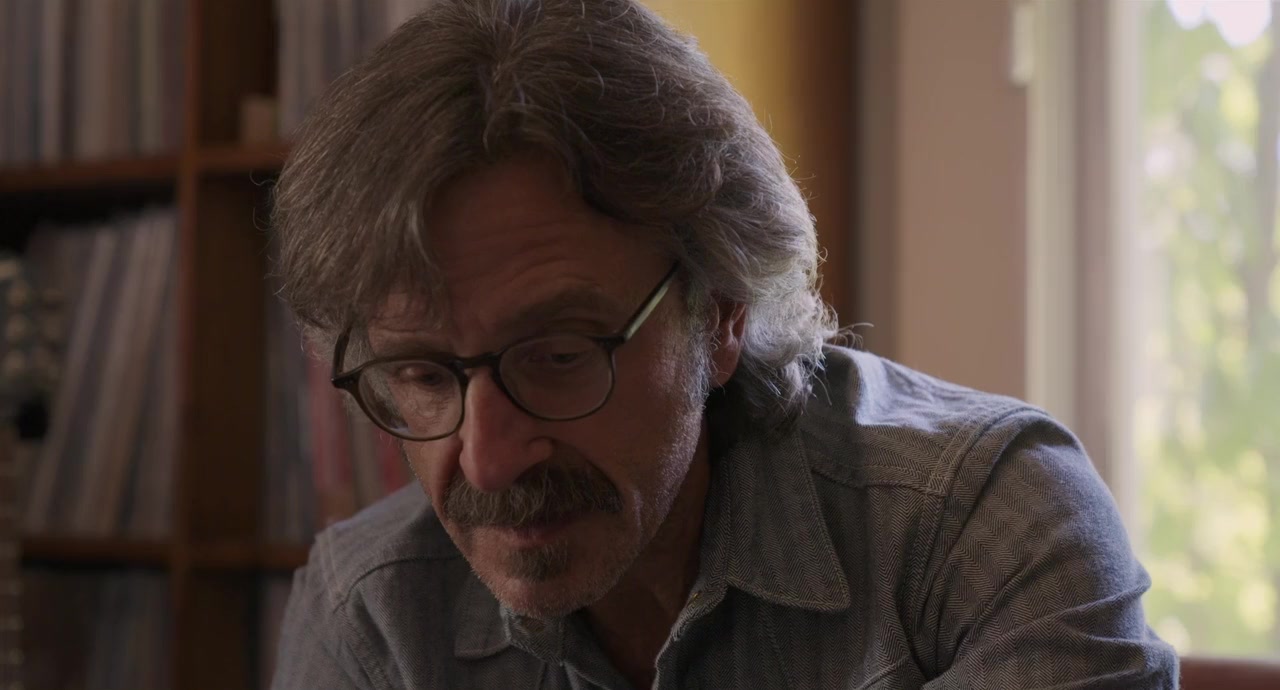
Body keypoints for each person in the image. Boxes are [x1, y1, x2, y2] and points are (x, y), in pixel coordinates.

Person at [269, 0, 1179, 687]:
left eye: (559, 355)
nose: (489, 459)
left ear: (723, 311)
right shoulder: (375, 613)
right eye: (423, 376)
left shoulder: (980, 529)